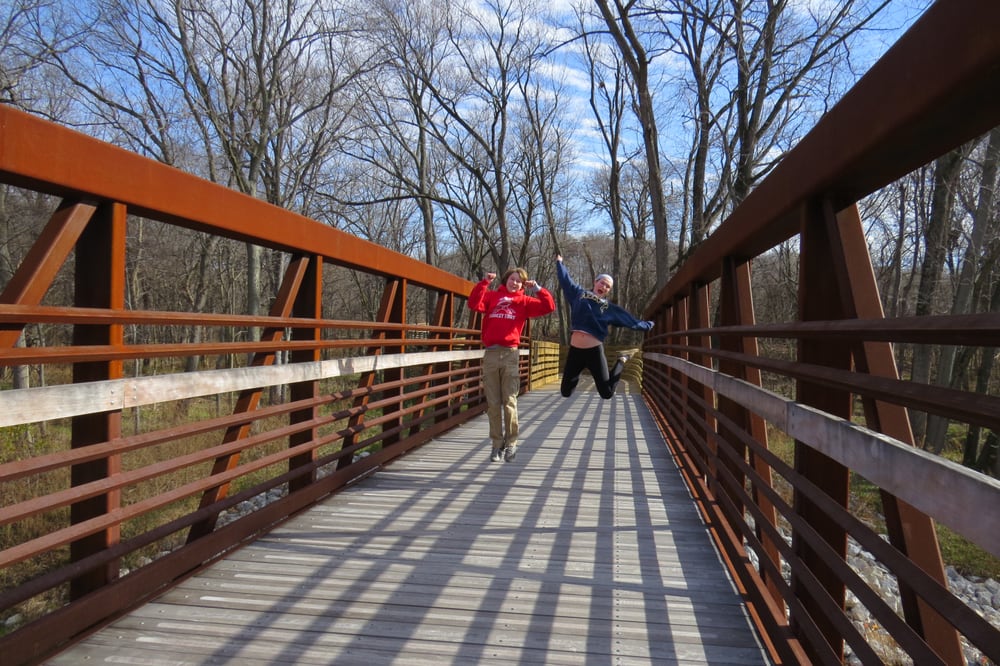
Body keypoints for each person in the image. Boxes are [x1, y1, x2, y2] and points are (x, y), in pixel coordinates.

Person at [468, 267, 555, 463]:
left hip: (510, 353)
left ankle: (511, 443)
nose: (514, 283)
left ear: (523, 285)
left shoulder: (524, 302)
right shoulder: (492, 296)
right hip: (491, 353)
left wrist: (539, 289)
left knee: (509, 401)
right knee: (493, 403)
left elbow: (548, 307)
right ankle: (496, 445)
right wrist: (484, 283)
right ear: (506, 280)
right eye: (512, 279)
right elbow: (474, 304)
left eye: (519, 281)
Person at [555, 254, 653, 399]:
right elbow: (565, 280)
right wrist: (559, 263)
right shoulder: (579, 294)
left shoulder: (608, 307)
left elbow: (629, 320)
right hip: (575, 351)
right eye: (602, 283)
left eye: (608, 286)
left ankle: (621, 360)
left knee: (606, 393)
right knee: (566, 391)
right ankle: (577, 375)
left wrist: (648, 325)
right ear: (595, 282)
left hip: (594, 351)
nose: (604, 287)